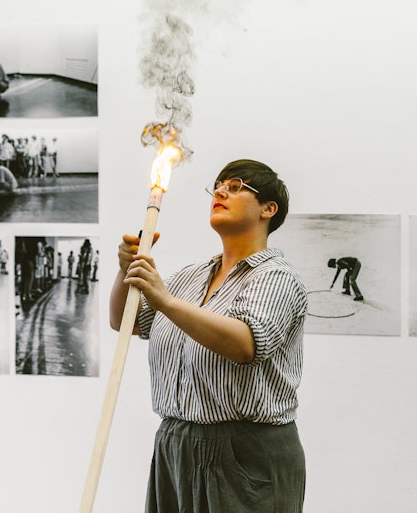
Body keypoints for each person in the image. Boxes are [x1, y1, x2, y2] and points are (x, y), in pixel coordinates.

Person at [110, 159, 307, 512]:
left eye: (234, 186)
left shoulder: (276, 278)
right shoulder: (190, 276)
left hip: (244, 451)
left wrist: (164, 300)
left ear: (268, 208)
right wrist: (126, 270)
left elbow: (245, 344)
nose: (220, 191)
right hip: (176, 444)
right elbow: (127, 322)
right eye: (217, 186)